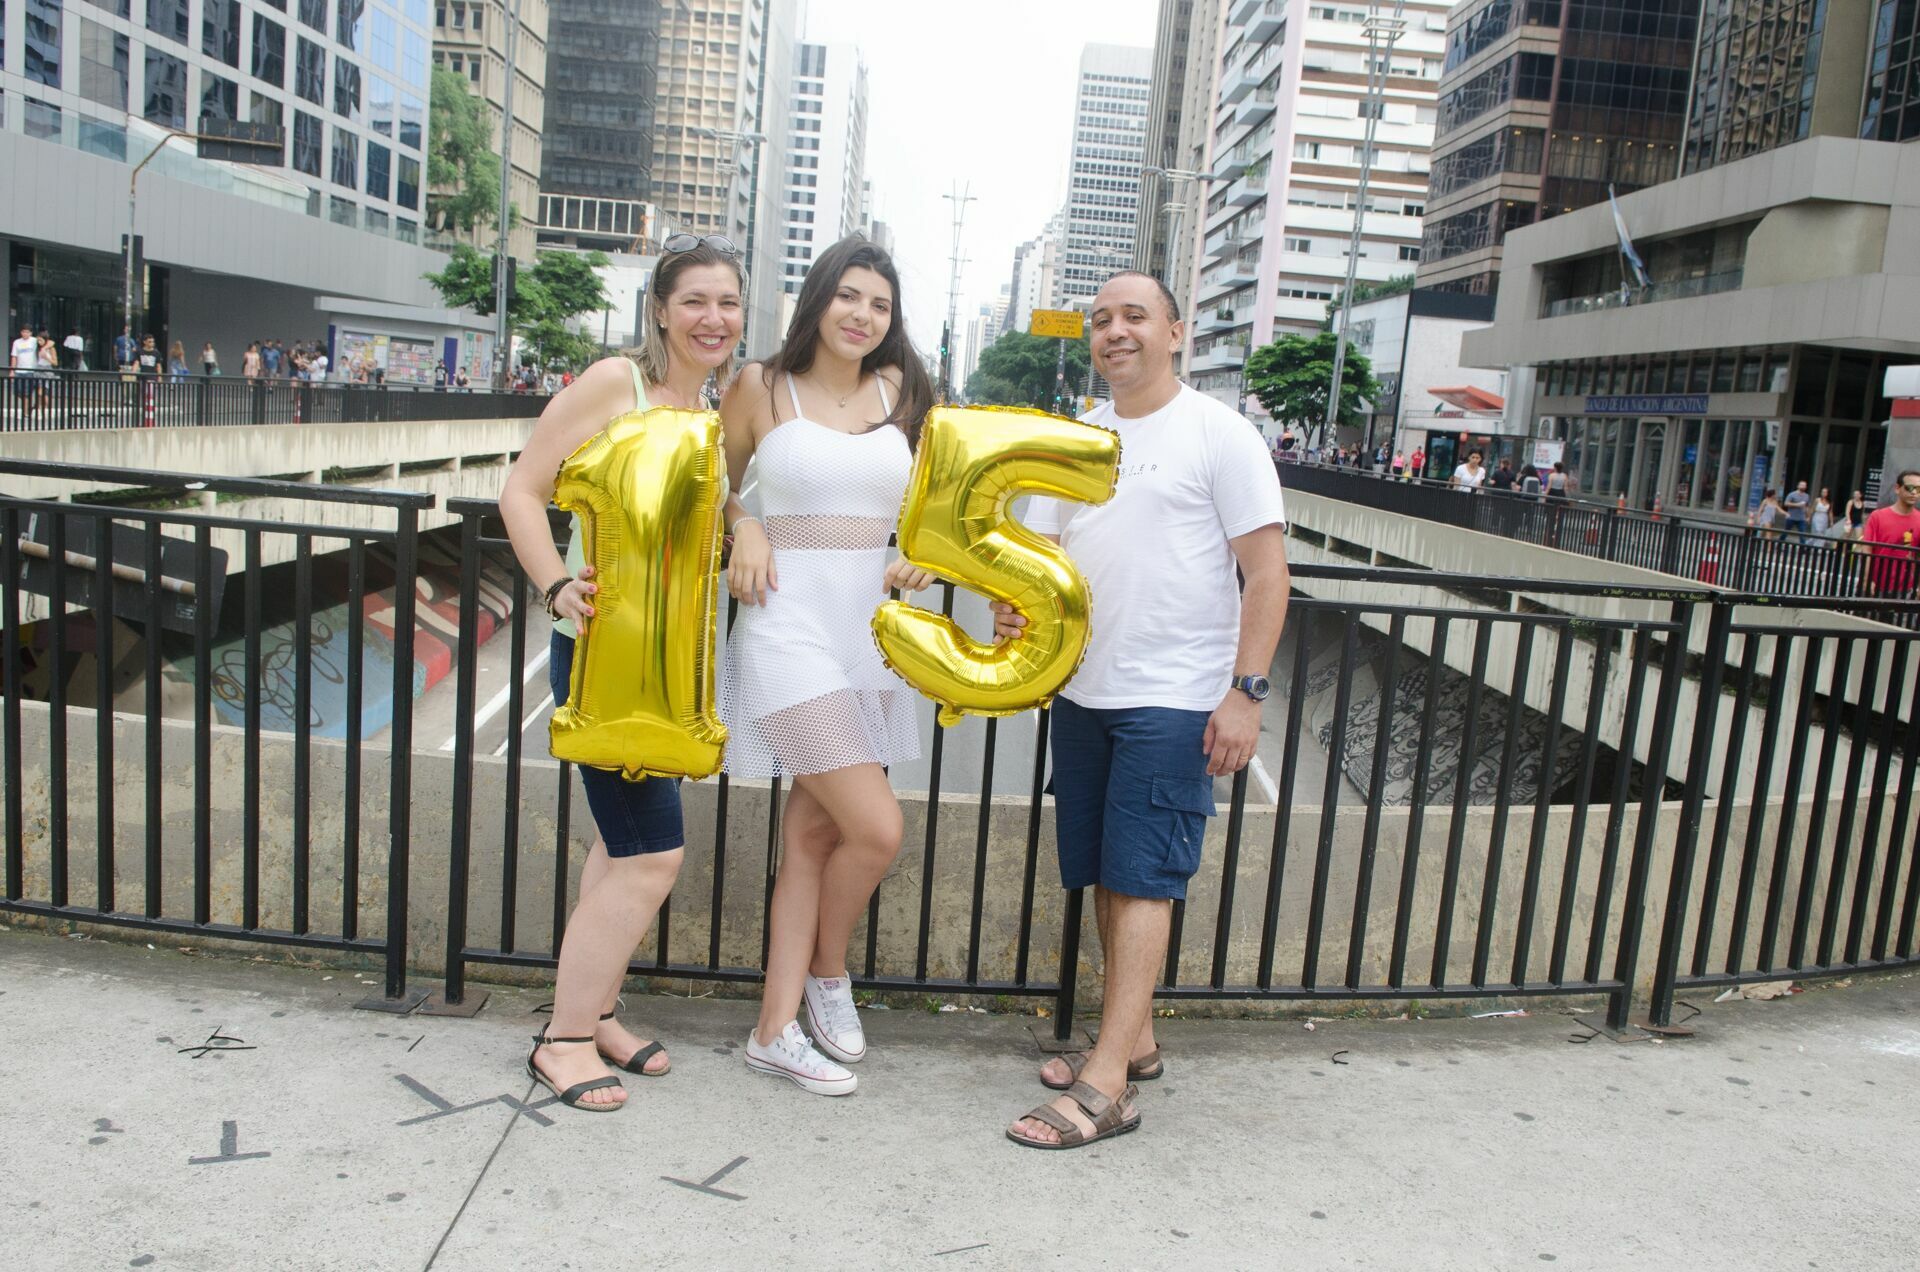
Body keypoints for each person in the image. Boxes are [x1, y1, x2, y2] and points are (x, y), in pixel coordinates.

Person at [994, 272, 1289, 1149]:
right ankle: (1138, 1040)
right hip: (1084, 690)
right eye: (1101, 320)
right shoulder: (1077, 439)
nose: (1114, 331)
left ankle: (1107, 1083)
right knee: (1103, 872)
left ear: (1174, 333)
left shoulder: (1221, 435)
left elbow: (1267, 573)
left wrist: (1246, 693)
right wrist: (1017, 611)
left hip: (1175, 696)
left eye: (1134, 317)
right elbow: (1043, 558)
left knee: (1144, 877)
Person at [497, 233, 746, 1113]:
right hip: (605, 655)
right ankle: (561, 1042)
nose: (713, 318)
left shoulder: (706, 403)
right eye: (695, 302)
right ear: (661, 310)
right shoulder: (619, 384)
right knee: (653, 853)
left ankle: (595, 1011)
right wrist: (558, 586)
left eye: (727, 303)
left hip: (669, 664)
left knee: (617, 845)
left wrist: (742, 524)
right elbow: (522, 490)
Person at [718, 235, 933, 1098]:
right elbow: (711, 486)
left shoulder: (907, 392)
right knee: (876, 829)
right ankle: (830, 976)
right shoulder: (759, 386)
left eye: (879, 304)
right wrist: (746, 522)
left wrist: (922, 555)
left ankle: (774, 1030)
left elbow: (934, 509)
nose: (862, 315)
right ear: (819, 299)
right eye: (849, 296)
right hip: (786, 620)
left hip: (870, 628)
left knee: (813, 836)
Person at [1862, 470, 1920, 597]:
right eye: (1909, 488)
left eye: (1919, 489)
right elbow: (1867, 550)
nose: (1914, 493)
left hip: (1906, 590)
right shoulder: (1877, 516)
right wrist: (1867, 580)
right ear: (1897, 488)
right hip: (1876, 586)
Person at [1783, 479, 1811, 545]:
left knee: (1802, 533)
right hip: (1791, 517)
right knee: (1786, 532)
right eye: (1801, 485)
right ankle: (1780, 542)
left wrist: (1808, 516)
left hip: (1801, 518)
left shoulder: (1807, 496)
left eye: (1804, 485)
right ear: (1798, 486)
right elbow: (1786, 503)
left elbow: (1807, 507)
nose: (1803, 486)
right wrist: (1797, 504)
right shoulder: (1792, 494)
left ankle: (1803, 547)